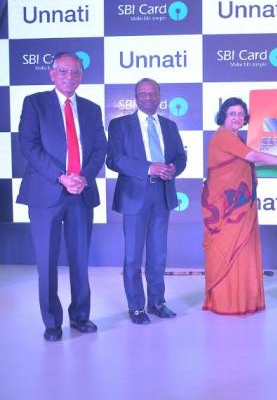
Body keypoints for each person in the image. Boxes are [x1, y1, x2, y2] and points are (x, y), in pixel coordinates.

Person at [17, 52, 107, 341]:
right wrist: (61, 176)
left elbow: (100, 149)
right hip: (45, 193)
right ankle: (52, 323)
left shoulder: (92, 109)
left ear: (82, 76)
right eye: (64, 71)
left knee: (80, 259)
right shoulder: (35, 103)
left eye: (75, 72)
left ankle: (80, 316)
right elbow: (29, 145)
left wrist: (83, 177)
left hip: (80, 193)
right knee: (46, 261)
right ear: (52, 74)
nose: (70, 77)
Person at [202, 97, 277, 315]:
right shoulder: (223, 136)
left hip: (240, 206)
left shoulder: (236, 137)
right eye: (232, 113)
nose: (237, 117)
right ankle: (227, 302)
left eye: (241, 114)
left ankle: (244, 300)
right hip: (226, 210)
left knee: (243, 252)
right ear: (223, 116)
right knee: (228, 252)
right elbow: (256, 157)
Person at [106, 78, 187, 325]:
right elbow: (114, 159)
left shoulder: (169, 126)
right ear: (136, 97)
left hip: (162, 193)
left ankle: (157, 302)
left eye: (152, 93)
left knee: (158, 254)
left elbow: (180, 157)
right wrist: (148, 168)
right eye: (143, 93)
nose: (148, 97)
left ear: (159, 96)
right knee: (132, 256)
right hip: (134, 196)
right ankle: (136, 307)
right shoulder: (120, 124)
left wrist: (174, 168)